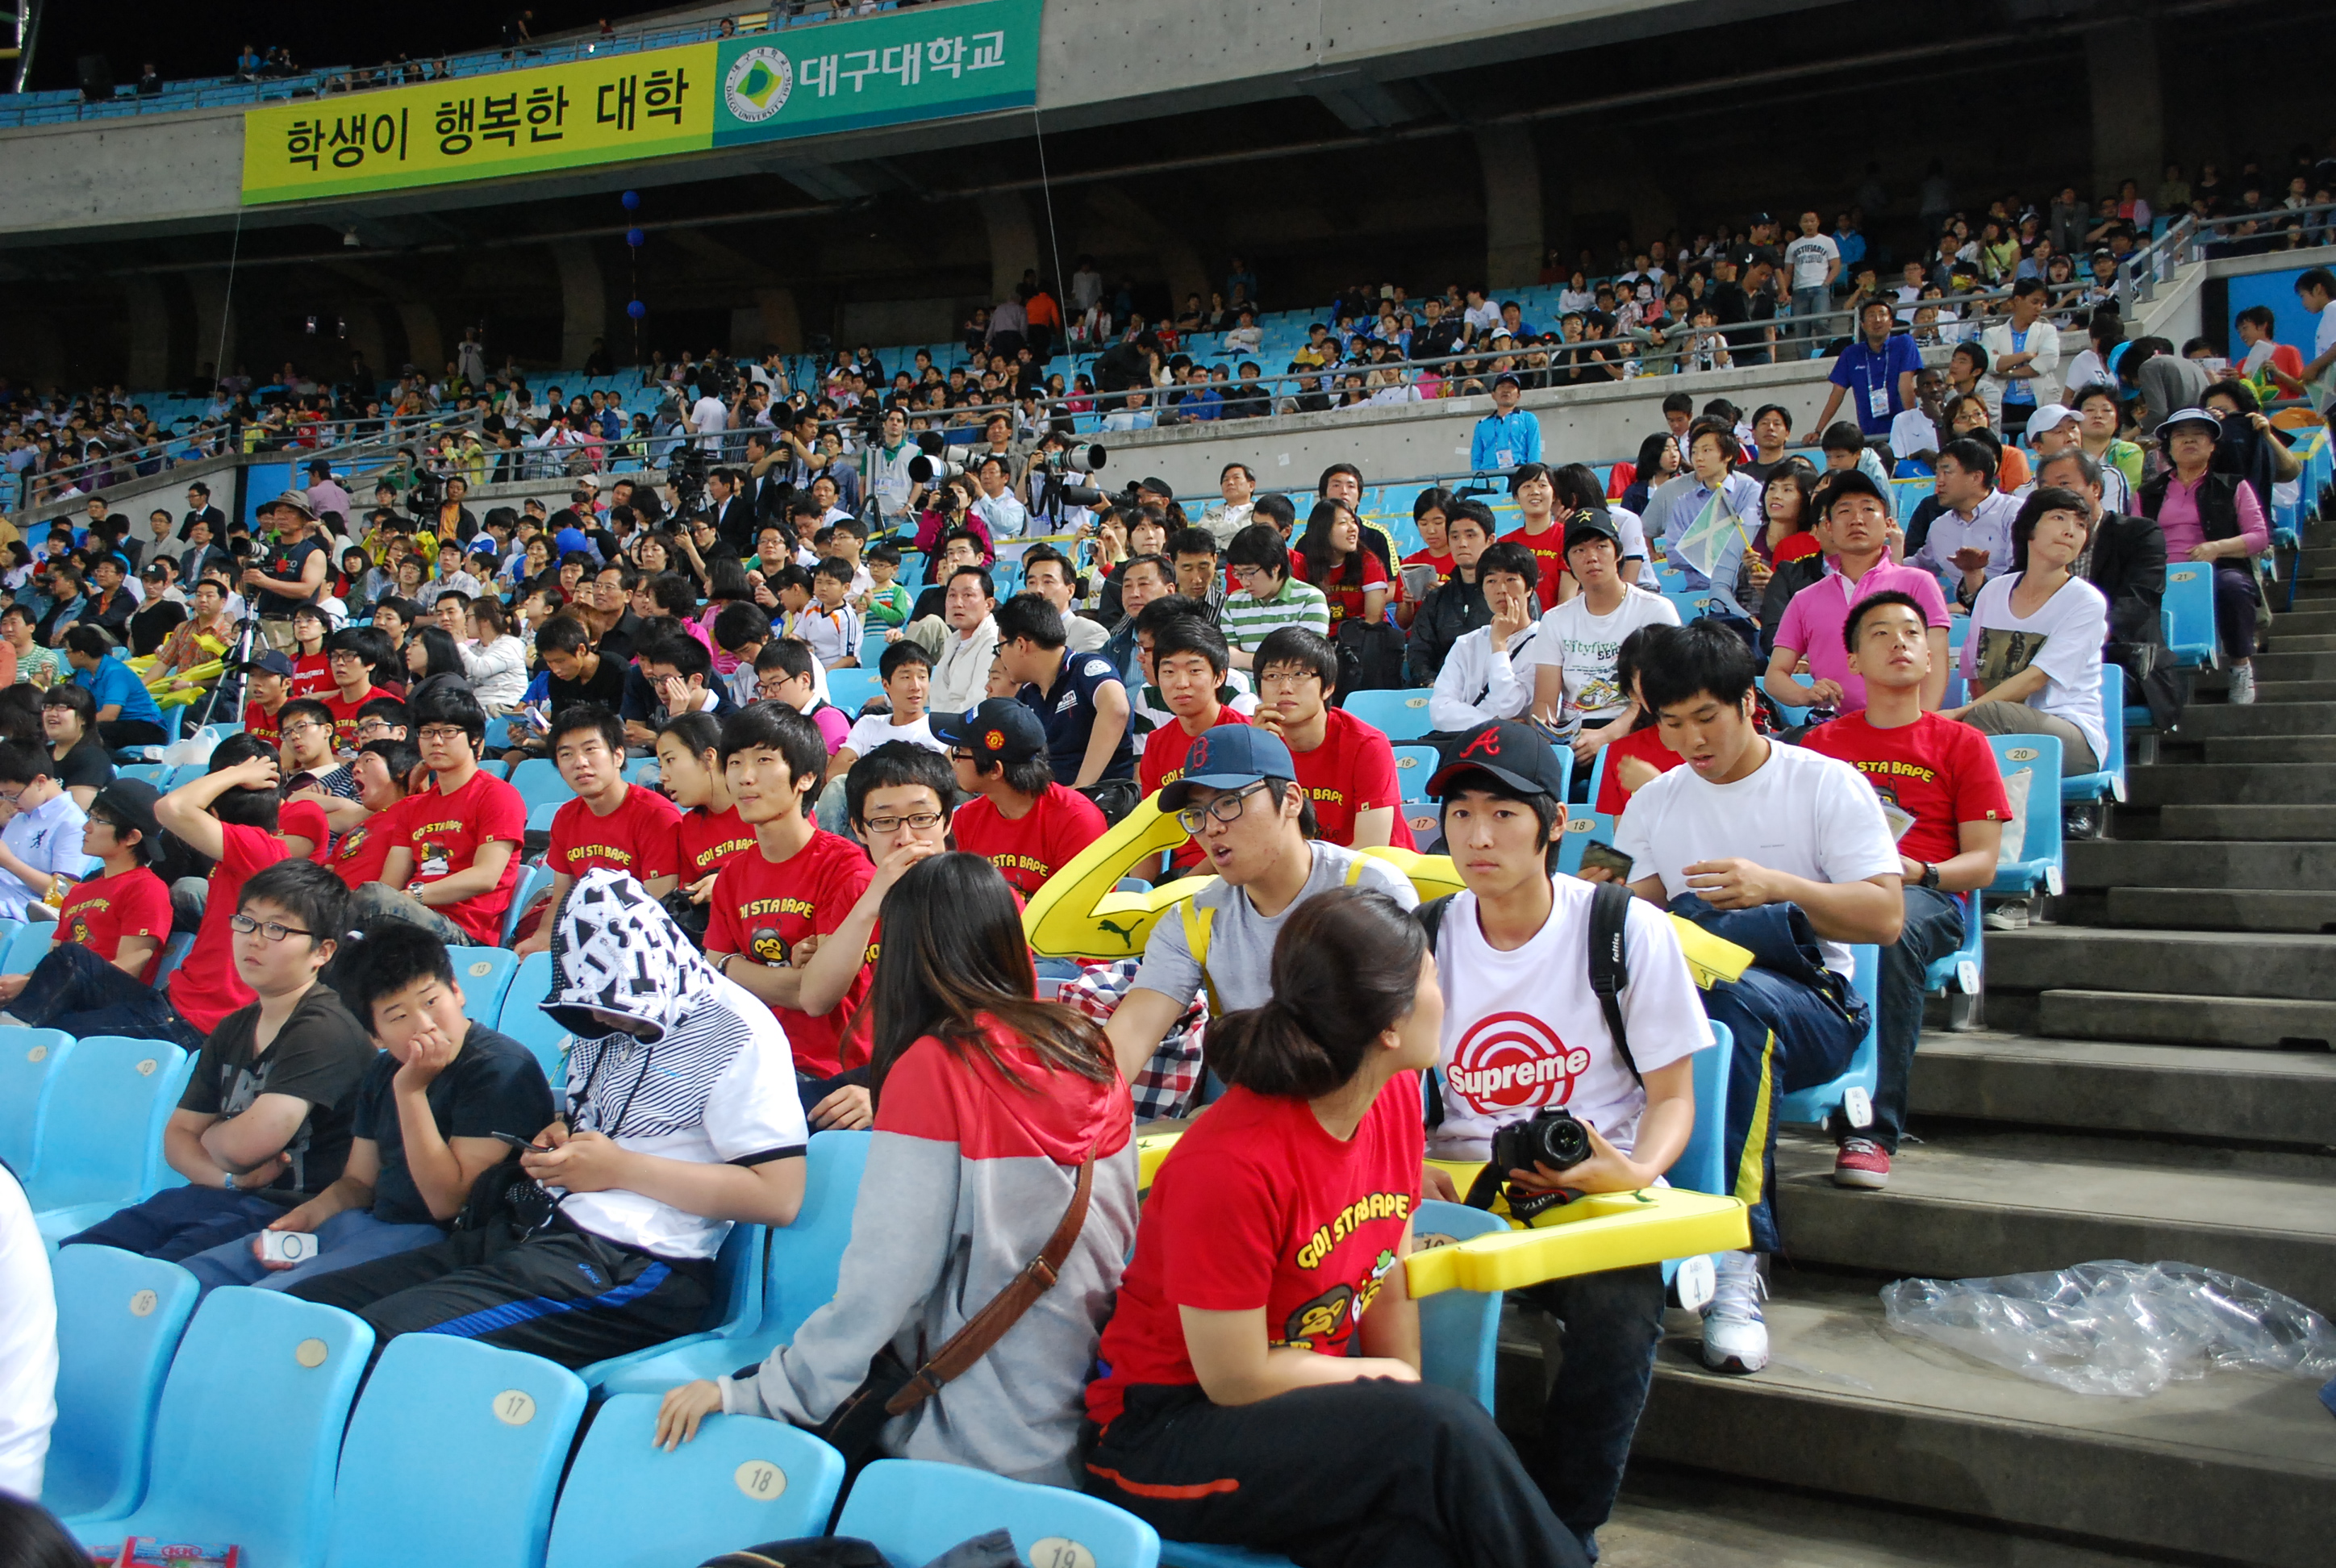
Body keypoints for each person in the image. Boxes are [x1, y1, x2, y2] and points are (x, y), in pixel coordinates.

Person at [1082, 886, 1588, 1568]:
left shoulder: (1392, 1097)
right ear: (1389, 1026)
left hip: (1291, 1418)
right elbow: (1234, 1377)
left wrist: (1401, 1387)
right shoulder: (1232, 1163)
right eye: (1431, 978)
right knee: (1440, 1431)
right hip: (1164, 1434)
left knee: (1426, 1539)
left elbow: (1386, 1276)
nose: (1444, 995)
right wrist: (1392, 1390)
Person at [657, 850, 1137, 1485]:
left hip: (964, 1435)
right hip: (1076, 1417)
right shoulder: (1087, 1046)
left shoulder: (936, 1067)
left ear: (907, 951)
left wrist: (763, 1392)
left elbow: (887, 1279)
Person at [291, 870, 809, 1370]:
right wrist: (564, 1135)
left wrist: (620, 1169)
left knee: (380, 1344)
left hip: (631, 1265)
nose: (600, 1018)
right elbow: (611, 1124)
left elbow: (777, 1198)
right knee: (308, 1314)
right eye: (591, 1006)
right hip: (533, 1229)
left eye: (613, 1007)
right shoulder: (598, 1015)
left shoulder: (739, 1032)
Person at [1423, 720, 1710, 1553]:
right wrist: (1403, 1158)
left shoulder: (1621, 928)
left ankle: (1561, 1530)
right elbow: (1382, 1086)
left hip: (1591, 1186)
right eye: (1461, 813)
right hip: (1460, 1184)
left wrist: (1635, 1171)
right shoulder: (1424, 934)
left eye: (1503, 814)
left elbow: (1673, 1098)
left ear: (1554, 823)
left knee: (1621, 1302)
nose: (1478, 837)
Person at [1614, 623, 1900, 1372]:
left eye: (1706, 718)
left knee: (1730, 1015)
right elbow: (1630, 907)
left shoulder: (1825, 784)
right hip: (1692, 994)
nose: (1690, 741)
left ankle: (1736, 1258)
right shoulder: (1655, 803)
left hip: (1814, 1003)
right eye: (1671, 724)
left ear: (1749, 703)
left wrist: (1777, 888)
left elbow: (1885, 916)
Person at [173, 923, 554, 1296]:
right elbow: (359, 1182)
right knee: (195, 1278)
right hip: (365, 1223)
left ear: (456, 991)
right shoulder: (384, 1069)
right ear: (375, 1036)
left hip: (435, 1240)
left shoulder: (499, 1068)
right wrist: (307, 1217)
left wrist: (411, 1092)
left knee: (269, 1300)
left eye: (431, 1001)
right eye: (398, 1017)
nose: (424, 1025)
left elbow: (447, 1204)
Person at [58, 863, 371, 1266]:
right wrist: (228, 1178)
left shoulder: (324, 1027)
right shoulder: (235, 1026)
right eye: (247, 922)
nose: (254, 939)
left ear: (323, 951)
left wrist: (211, 1138)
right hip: (220, 1195)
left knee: (152, 1277)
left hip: (290, 1215)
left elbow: (246, 1146)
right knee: (75, 1258)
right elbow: (178, 1140)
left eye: (277, 928)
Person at [1805, 592, 2006, 1189]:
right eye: (1880, 633)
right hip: (1833, 887)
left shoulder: (1962, 744)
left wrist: (1920, 872)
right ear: (1852, 660)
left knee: (1887, 930)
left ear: (1930, 655)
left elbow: (1983, 863)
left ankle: (1870, 1129)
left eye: (1912, 632)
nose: (1899, 641)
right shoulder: (1821, 746)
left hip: (1925, 896)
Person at [1102, 725, 1418, 1089]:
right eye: (1197, 813)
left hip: (1363, 1104)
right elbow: (1131, 1035)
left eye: (1228, 802)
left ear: (1291, 800)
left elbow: (1403, 1043)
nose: (1211, 828)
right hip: (1259, 1102)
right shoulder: (1194, 919)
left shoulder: (1371, 891)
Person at [704, 703, 876, 1086]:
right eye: (735, 763)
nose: (746, 777)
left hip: (829, 1074)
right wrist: (732, 969)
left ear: (806, 777)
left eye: (764, 760)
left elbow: (813, 995)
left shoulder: (845, 868)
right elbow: (714, 976)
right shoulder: (732, 874)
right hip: (751, 1065)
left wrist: (733, 967)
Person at [1946, 487, 2112, 778]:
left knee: (1985, 718)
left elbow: (2037, 676)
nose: (2070, 531)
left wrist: (1960, 714)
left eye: (2081, 525)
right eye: (2059, 518)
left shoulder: (2086, 601)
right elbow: (1976, 673)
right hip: (1995, 723)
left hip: (2069, 736)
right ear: (2029, 528)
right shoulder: (1993, 592)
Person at [1763, 471, 1952, 715]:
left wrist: (1919, 722)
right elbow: (1775, 675)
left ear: (1888, 524)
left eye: (1868, 509)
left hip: (1906, 721)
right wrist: (1806, 695)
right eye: (1845, 511)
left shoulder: (1918, 583)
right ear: (1828, 527)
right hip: (1835, 724)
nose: (1857, 519)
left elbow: (1935, 660)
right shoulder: (1805, 599)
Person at [352, 685, 525, 946]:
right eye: (427, 732)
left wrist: (414, 895)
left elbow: (486, 876)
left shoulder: (497, 795)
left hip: (464, 932)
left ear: (475, 739)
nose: (436, 741)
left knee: (372, 899)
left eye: (448, 731)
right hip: (408, 918)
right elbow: (390, 883)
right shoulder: (413, 808)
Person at [514, 706, 683, 957]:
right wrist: (541, 938)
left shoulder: (657, 815)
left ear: (618, 755)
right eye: (566, 754)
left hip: (642, 946)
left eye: (590, 750)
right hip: (587, 937)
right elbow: (561, 897)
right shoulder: (566, 817)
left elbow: (658, 906)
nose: (580, 762)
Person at [0, 778, 169, 1028]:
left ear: (131, 837)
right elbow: (53, 959)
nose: (86, 827)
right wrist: (22, 983)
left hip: (112, 997)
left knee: (73, 956)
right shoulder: (79, 893)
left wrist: (34, 984)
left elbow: (130, 965)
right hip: (65, 989)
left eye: (99, 821)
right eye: (90, 817)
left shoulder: (146, 888)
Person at [2138, 407, 2267, 705]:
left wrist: (2217, 548)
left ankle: (2240, 666)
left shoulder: (2234, 485)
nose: (2189, 440)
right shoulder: (2148, 492)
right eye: (2180, 436)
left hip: (2216, 568)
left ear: (2212, 446)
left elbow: (2259, 536)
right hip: (2162, 572)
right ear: (2169, 447)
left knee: (2233, 587)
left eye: (2199, 435)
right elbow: (2137, 539)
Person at [1529, 513, 1679, 766]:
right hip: (1575, 731)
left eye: (1601, 546)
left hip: (1639, 724)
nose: (1591, 557)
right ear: (1567, 562)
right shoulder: (1555, 620)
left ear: (1618, 553)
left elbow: (1663, 692)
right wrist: (1551, 738)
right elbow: (1545, 701)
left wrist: (1607, 736)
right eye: (1579, 550)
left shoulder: (1655, 610)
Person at [1249, 628, 1412, 851]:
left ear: (1328, 688)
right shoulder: (1257, 744)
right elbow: (1248, 838)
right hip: (1298, 868)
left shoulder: (1367, 745)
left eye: (1300, 674)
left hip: (1377, 868)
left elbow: (1371, 849)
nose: (1285, 688)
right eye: (1272, 676)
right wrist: (1256, 761)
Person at [940, 699, 1109, 898]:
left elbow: (1085, 907)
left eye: (960, 751)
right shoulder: (965, 819)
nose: (953, 761)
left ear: (995, 770)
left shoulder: (1076, 820)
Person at [999, 595, 1133, 788]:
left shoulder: (1086, 668)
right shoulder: (1027, 694)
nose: (1001, 657)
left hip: (1104, 795)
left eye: (1000, 647)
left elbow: (1116, 709)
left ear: (1021, 645)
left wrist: (1081, 787)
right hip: (1050, 796)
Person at [1429, 541, 1546, 732]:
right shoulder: (1467, 643)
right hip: (1466, 739)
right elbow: (1439, 710)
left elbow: (1509, 706)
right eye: (1491, 581)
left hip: (1511, 742)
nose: (1501, 589)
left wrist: (1499, 644)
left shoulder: (1544, 642)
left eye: (1511, 579)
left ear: (1529, 588)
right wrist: (1491, 722)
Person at [1905, 439, 2021, 607]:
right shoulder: (1939, 526)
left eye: (1947, 472)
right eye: (1937, 473)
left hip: (2013, 609)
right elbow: (1920, 564)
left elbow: (2022, 575)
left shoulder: (2014, 513)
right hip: (1966, 615)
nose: (1939, 482)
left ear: (1976, 477)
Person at [1220, 524, 1330, 670]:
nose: (1245, 582)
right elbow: (1228, 658)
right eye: (1238, 573)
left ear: (1275, 567)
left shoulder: (1311, 600)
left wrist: (1243, 659)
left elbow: (1305, 661)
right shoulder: (1234, 604)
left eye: (1250, 573)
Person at [0, 744, 86, 924]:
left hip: (17, 911)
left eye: (13, 795)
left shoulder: (71, 822)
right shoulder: (21, 816)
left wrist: (9, 862)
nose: (10, 803)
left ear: (40, 782)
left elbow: (64, 893)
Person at [1814, 298, 1921, 440]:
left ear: (1891, 323)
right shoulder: (1851, 353)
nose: (1877, 320)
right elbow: (1837, 394)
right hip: (1870, 435)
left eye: (1882, 314)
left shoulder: (1904, 343)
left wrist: (1913, 426)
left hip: (1904, 433)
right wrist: (1818, 431)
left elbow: (1906, 384)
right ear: (1863, 325)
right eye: (1871, 315)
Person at [63, 629, 166, 757]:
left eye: (67, 651)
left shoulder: (116, 672)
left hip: (147, 727)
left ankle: (108, 766)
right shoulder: (83, 674)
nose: (66, 656)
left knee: (92, 733)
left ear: (81, 654)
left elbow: (109, 715)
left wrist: (73, 723)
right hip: (115, 726)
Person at [38, 685, 113, 811]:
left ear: (83, 718)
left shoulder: (93, 758)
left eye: (62, 707)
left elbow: (74, 814)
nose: (52, 713)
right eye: (48, 707)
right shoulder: (40, 754)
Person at [1470, 373, 1543, 470]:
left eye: (1511, 387)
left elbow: (1534, 451)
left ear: (1518, 395)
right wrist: (1478, 476)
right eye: (1502, 387)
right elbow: (1476, 457)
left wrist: (1530, 474)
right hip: (1489, 474)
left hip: (1518, 472)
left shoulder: (1528, 419)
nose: (1506, 390)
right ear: (1493, 395)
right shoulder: (1482, 424)